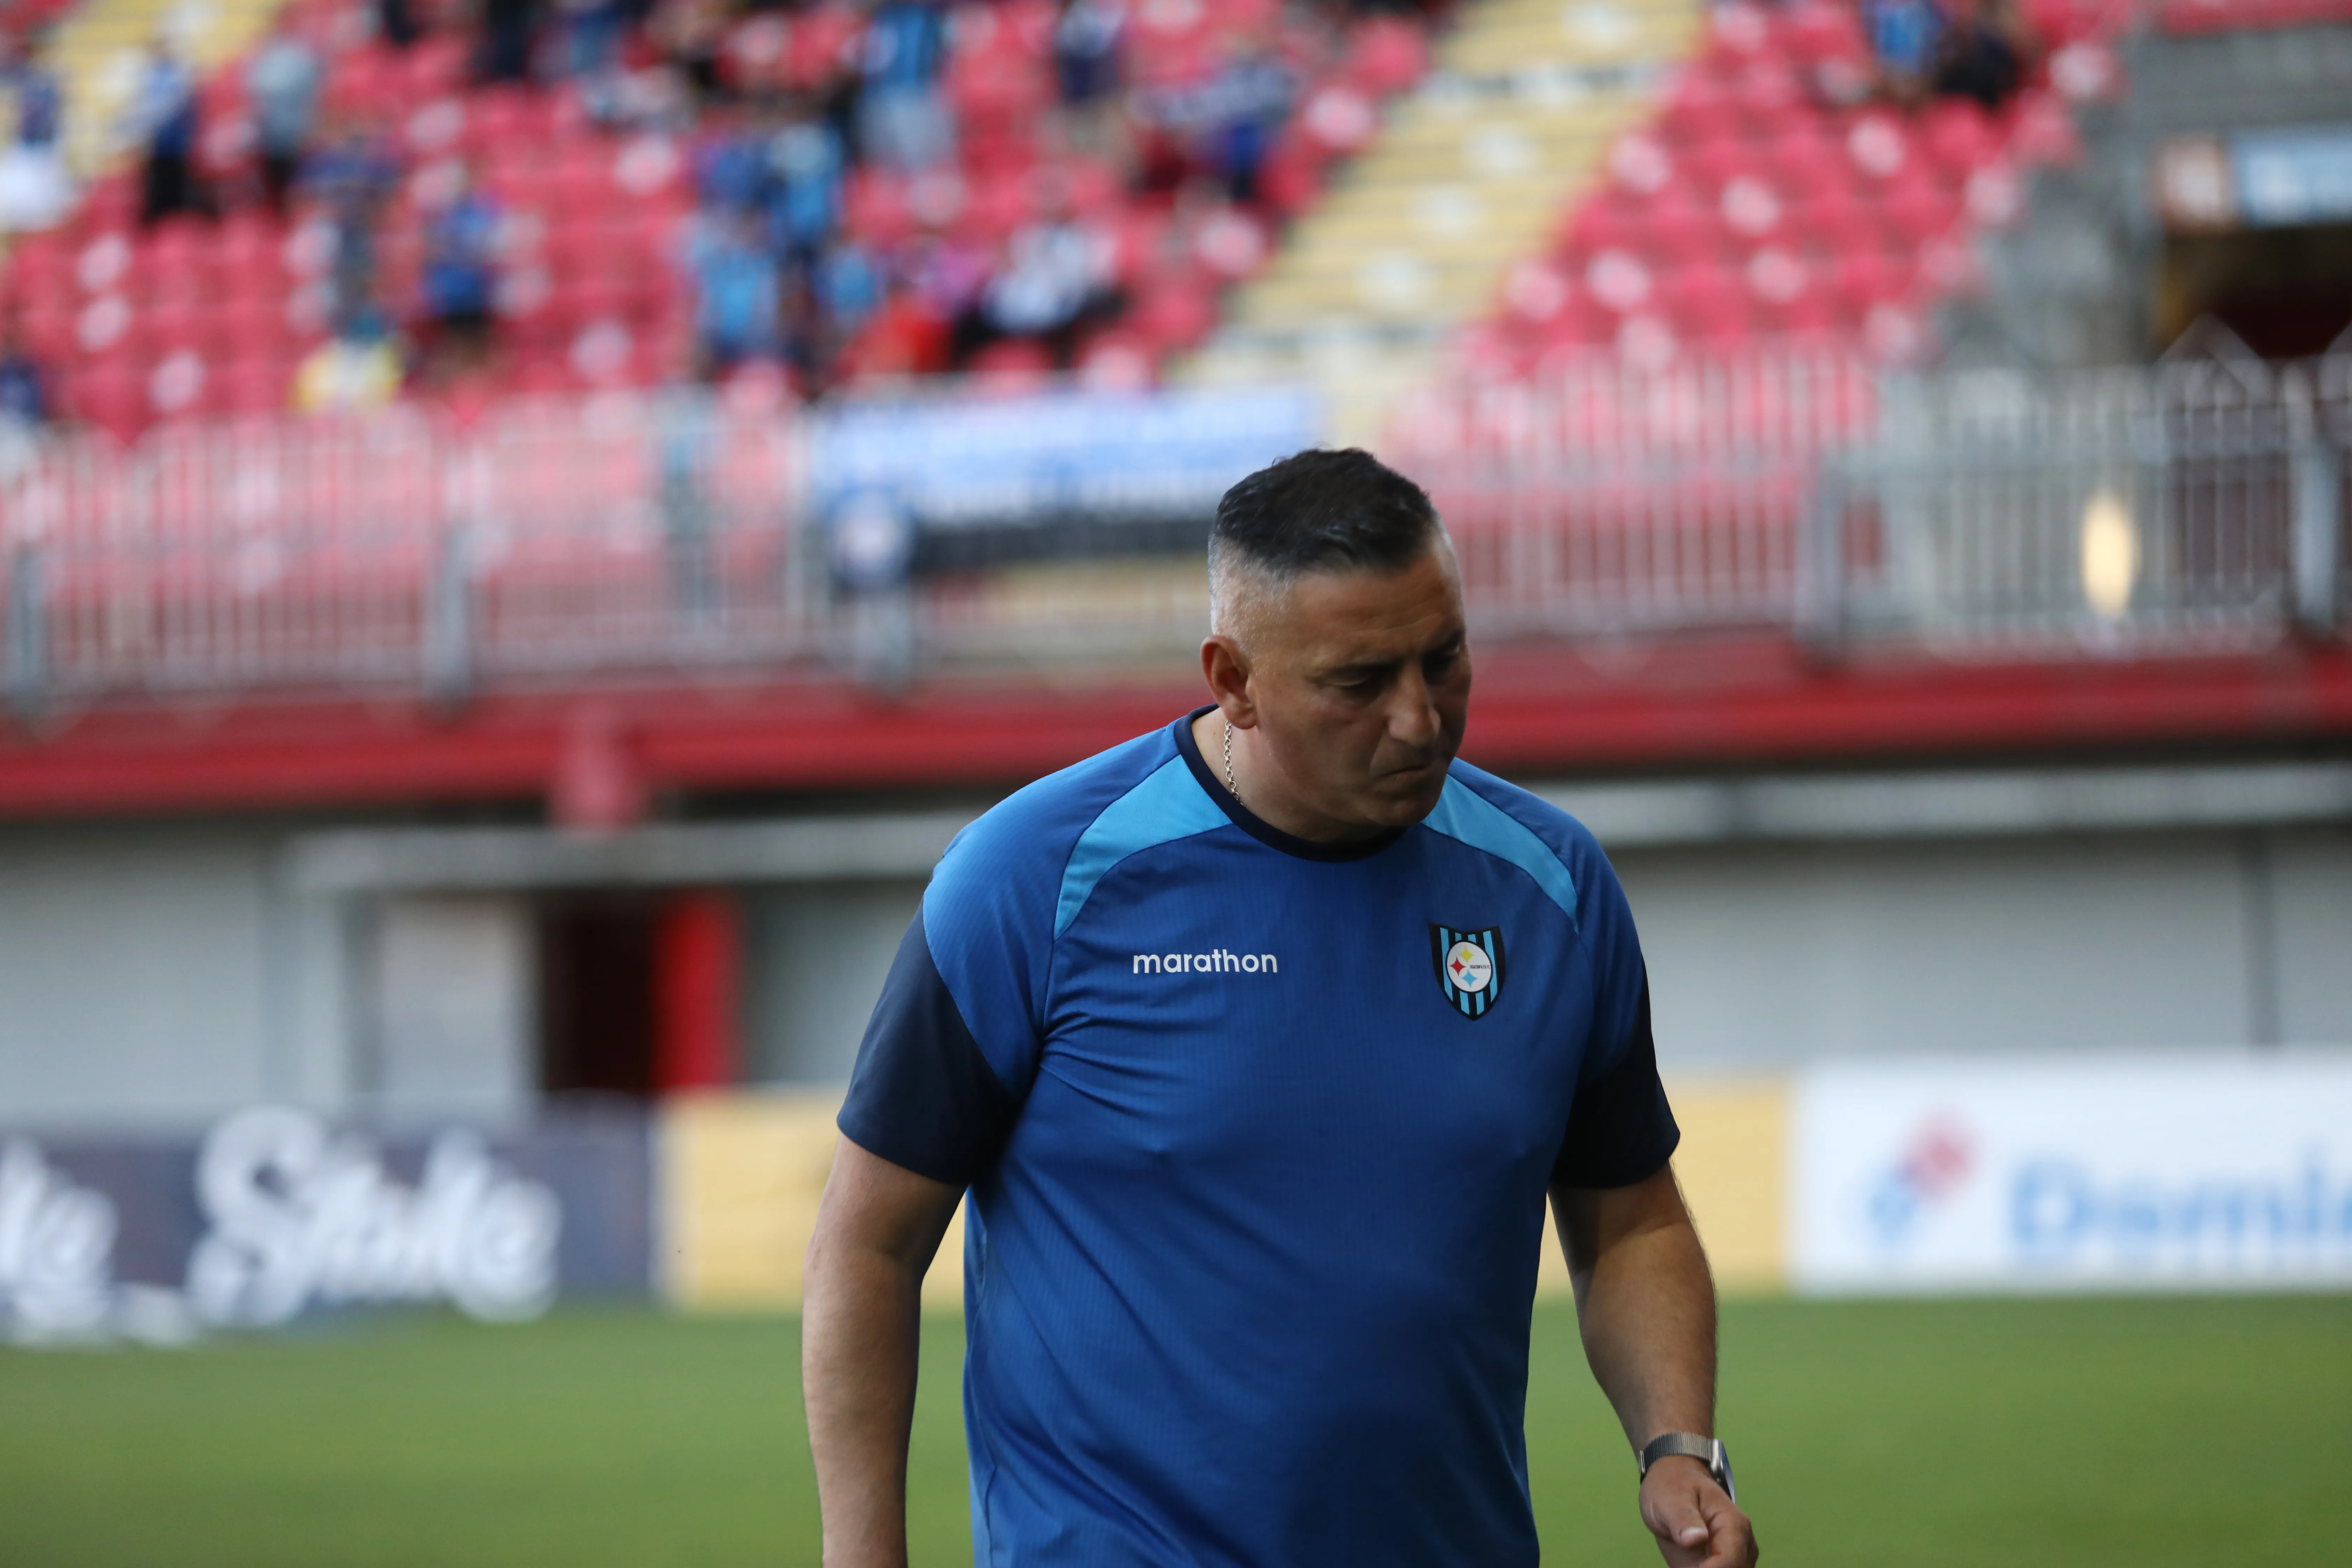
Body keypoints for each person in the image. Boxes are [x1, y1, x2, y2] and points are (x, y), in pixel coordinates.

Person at [803, 449, 1760, 1568]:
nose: (1417, 718)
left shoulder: (1552, 887)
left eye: (1442, 657)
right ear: (1233, 678)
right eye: (1358, 681)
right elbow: (867, 1243)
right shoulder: (1032, 880)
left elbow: (1629, 1216)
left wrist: (1674, 1440)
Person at [247, 12, 323, 214]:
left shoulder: (301, 55)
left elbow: (308, 89)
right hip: (272, 133)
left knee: (298, 182)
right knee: (275, 182)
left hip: (297, 132)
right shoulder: (266, 56)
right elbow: (256, 90)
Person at [0, 32, 72, 233]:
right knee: (16, 194)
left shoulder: (53, 81)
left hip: (44, 146)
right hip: (26, 144)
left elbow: (54, 113)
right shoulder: (25, 80)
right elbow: (18, 112)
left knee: (43, 202)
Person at [129, 36, 204, 225]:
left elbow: (175, 108)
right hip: (158, 145)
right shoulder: (152, 76)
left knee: (176, 185)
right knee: (159, 187)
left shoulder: (178, 75)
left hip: (176, 143)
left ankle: (177, 227)